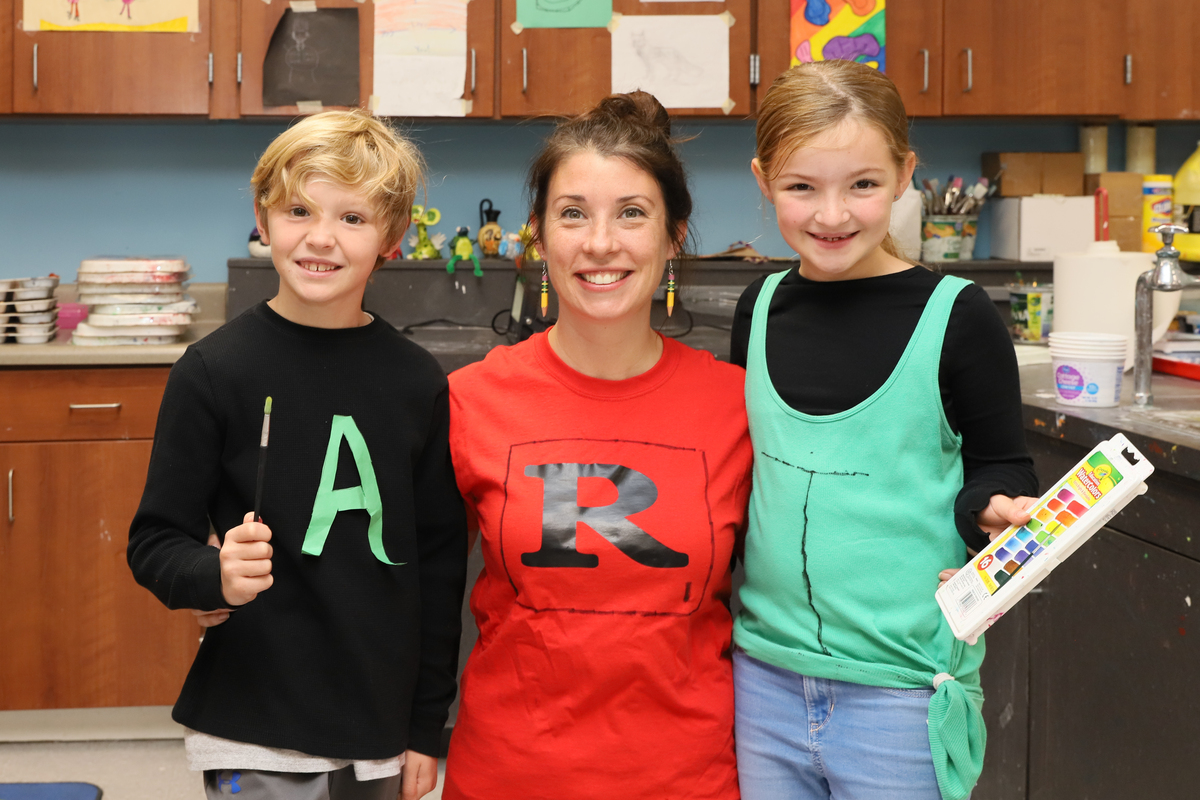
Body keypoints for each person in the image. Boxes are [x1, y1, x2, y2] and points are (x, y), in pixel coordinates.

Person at [127, 110, 468, 800]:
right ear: (262, 218)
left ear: (392, 238)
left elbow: (438, 567)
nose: (320, 237)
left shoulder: (416, 383)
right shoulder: (212, 371)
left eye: (352, 218)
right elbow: (154, 542)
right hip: (253, 720)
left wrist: (428, 724)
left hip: (378, 727)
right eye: (298, 209)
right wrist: (213, 575)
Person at [728, 60, 1039, 800]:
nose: (832, 215)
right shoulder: (759, 307)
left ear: (904, 175)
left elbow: (1002, 469)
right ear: (762, 178)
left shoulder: (959, 317)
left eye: (862, 185)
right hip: (760, 682)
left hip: (901, 689)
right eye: (802, 186)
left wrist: (991, 515)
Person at [443, 91, 753, 799]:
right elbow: (399, 585)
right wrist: (223, 576)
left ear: (675, 236)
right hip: (509, 775)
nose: (601, 243)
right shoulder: (470, 401)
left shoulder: (737, 407)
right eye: (573, 212)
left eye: (632, 214)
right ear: (538, 234)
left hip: (688, 778)